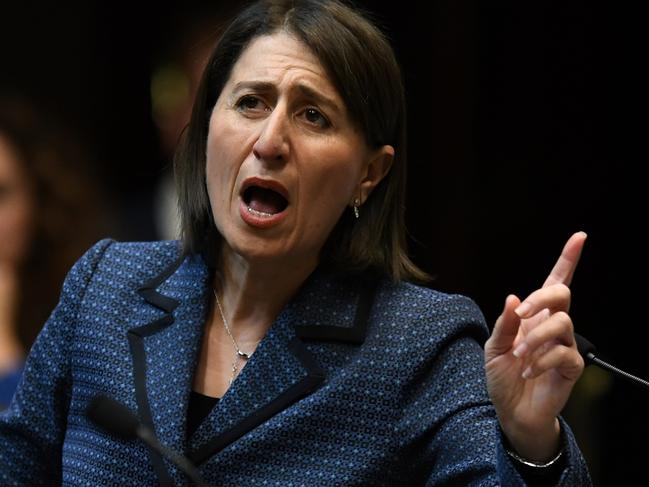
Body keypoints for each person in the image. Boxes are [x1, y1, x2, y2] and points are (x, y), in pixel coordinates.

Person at [0, 1, 592, 485]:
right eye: (250, 102)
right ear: (208, 129)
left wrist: (530, 442)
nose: (270, 140)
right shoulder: (106, 285)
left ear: (370, 173)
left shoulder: (419, 344)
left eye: (314, 116)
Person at [0, 97, 113, 409]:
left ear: (39, 204)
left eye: (1, 193)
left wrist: (3, 349)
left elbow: (30, 453)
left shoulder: (86, 316)